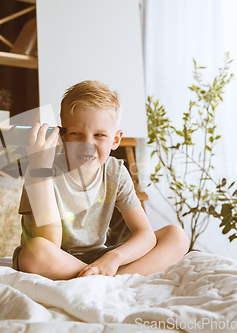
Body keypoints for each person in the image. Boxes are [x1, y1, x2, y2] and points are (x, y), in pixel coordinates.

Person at [12, 80, 189, 280]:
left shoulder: (115, 172)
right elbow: (49, 242)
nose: (87, 144)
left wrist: (114, 257)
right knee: (35, 251)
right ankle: (105, 279)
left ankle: (104, 278)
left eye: (99, 135)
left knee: (176, 236)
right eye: (76, 134)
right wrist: (40, 171)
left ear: (115, 140)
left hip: (98, 257)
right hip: (55, 257)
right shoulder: (40, 168)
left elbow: (145, 235)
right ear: (63, 137)